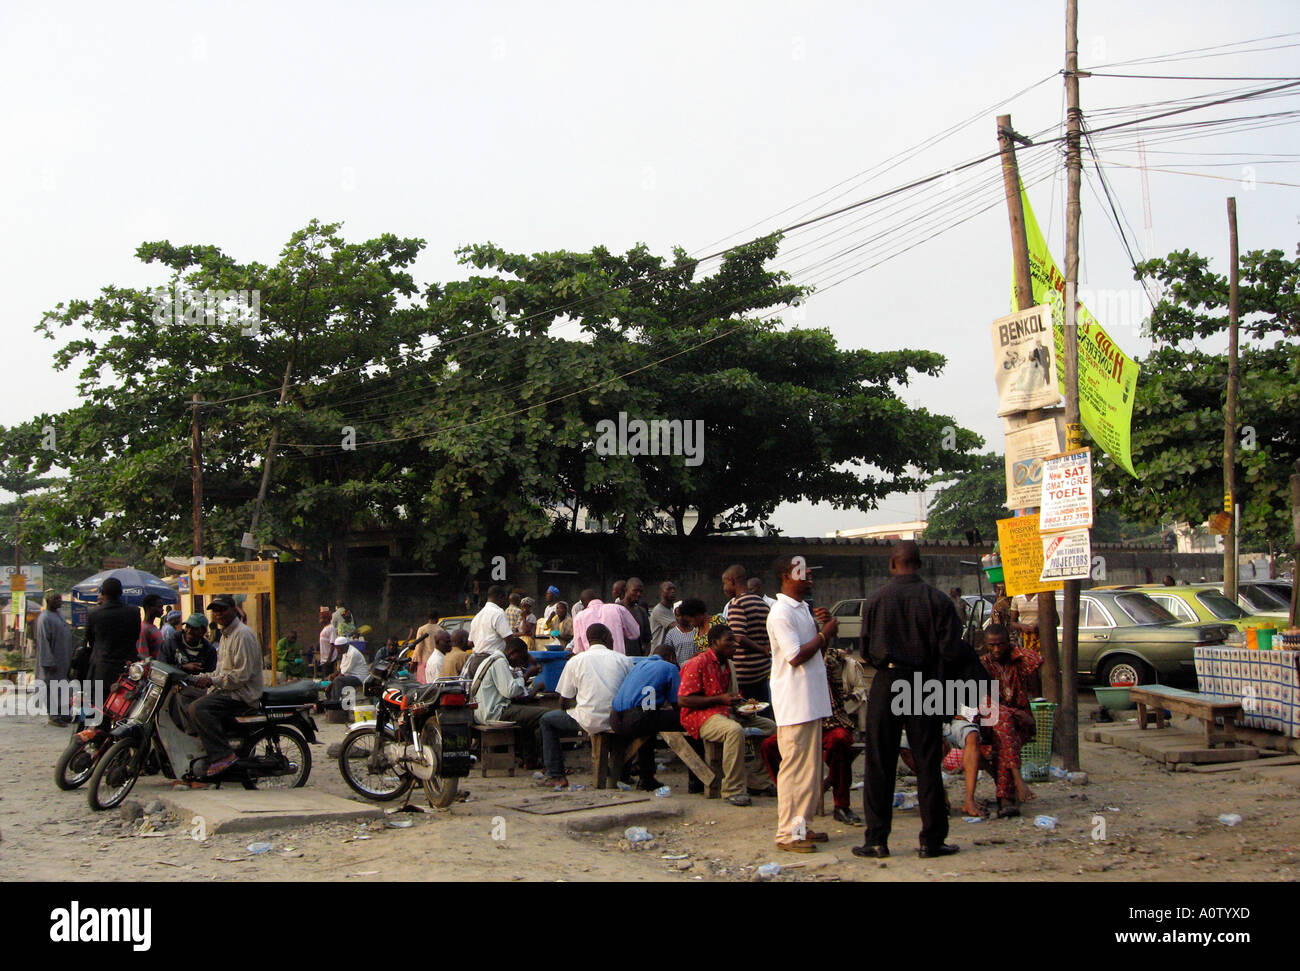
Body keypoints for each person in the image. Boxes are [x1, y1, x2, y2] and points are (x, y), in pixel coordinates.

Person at [857, 541, 964, 860]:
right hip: (925, 681)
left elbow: (865, 651)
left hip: (887, 681)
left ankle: (877, 839)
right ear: (920, 563)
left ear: (892, 564)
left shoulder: (876, 600)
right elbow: (951, 651)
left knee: (879, 761)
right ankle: (931, 841)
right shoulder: (939, 600)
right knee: (928, 761)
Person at [764, 554, 834, 853]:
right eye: (801, 571)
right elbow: (795, 656)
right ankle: (788, 834)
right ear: (786, 576)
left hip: (810, 699)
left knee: (809, 771)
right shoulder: (781, 613)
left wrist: (825, 627)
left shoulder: (802, 609)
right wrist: (823, 634)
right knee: (795, 769)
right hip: (794, 702)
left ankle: (801, 826)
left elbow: (816, 649)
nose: (808, 576)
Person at [761, 643, 864, 826]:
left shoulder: (830, 660)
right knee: (769, 746)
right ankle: (790, 798)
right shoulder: (788, 660)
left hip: (831, 722)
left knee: (839, 741)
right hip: (801, 722)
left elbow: (824, 658)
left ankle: (841, 805)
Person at [678, 624, 776, 806]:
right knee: (733, 731)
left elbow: (729, 696)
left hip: (725, 712)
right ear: (715, 643)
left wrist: (743, 704)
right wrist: (719, 699)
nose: (734, 645)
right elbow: (683, 700)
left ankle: (758, 781)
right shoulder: (697, 663)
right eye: (728, 641)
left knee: (770, 727)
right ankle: (733, 788)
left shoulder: (729, 664)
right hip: (700, 716)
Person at [538, 623, 634, 787]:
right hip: (617, 720)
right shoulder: (623, 660)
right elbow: (631, 693)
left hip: (587, 719)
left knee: (547, 720)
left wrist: (573, 707)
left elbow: (564, 700)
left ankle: (556, 775)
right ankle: (622, 774)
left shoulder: (576, 660)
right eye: (611, 637)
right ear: (605, 638)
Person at [188, 595, 264, 776]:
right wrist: (198, 678)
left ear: (233, 609)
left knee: (198, 708)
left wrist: (213, 681)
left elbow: (240, 676)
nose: (218, 614)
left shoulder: (242, 635)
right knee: (185, 696)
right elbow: (220, 671)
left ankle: (222, 755)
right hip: (228, 689)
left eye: (222, 609)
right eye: (215, 610)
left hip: (241, 694)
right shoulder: (225, 635)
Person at [981, 623, 1042, 817]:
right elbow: (985, 701)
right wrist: (1012, 713)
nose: (996, 649)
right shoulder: (983, 664)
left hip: (1017, 724)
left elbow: (1037, 660)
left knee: (1004, 740)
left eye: (1001, 644)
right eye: (992, 645)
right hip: (991, 720)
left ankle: (1005, 799)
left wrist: (1015, 649)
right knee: (1003, 720)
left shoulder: (1017, 662)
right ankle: (1016, 781)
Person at [468, 635, 550, 769]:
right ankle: (548, 762)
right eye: (522, 657)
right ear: (513, 653)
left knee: (527, 717)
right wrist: (527, 675)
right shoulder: (499, 662)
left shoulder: (491, 660)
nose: (521, 662)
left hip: (483, 711)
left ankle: (530, 760)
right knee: (545, 714)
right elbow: (511, 691)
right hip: (494, 712)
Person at [610, 644, 682, 790]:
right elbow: (677, 702)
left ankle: (644, 777)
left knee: (649, 729)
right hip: (637, 718)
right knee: (684, 718)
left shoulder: (638, 666)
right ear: (671, 657)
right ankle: (696, 779)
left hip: (615, 719)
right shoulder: (670, 667)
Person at [85, 577, 141, 710]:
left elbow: (90, 640)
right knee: (124, 710)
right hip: (127, 672)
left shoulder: (94, 614)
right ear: (121, 593)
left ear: (103, 593)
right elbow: (135, 637)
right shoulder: (133, 612)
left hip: (101, 671)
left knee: (100, 710)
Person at [722, 564, 772, 705]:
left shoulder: (737, 603)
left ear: (732, 581)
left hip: (744, 673)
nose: (724, 588)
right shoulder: (762, 603)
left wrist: (761, 649)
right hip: (762, 670)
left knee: (745, 712)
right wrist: (763, 649)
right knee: (762, 709)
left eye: (724, 583)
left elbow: (738, 637)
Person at [36, 590, 74, 725]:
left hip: (63, 659)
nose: (60, 601)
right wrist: (49, 662)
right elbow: (43, 642)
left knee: (63, 688)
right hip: (52, 662)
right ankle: (54, 716)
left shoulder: (58, 615)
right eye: (56, 599)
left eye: (60, 599)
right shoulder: (44, 618)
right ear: (48, 601)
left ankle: (64, 714)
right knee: (52, 689)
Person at [570, 587, 640, 655]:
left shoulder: (575, 618)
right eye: (558, 608)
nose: (559, 610)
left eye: (561, 608)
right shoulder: (618, 609)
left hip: (591, 661)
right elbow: (635, 633)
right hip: (616, 660)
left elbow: (578, 649)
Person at [469, 585, 513, 655]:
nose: (506, 601)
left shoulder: (477, 617)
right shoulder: (498, 613)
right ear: (500, 596)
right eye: (505, 598)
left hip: (477, 660)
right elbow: (509, 639)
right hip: (493, 660)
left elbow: (470, 643)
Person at [330, 635, 369, 706]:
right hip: (351, 675)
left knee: (338, 680)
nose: (338, 651)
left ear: (343, 646)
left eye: (338, 649)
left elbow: (345, 671)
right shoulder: (345, 652)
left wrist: (333, 682)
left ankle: (334, 703)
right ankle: (331, 702)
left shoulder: (353, 653)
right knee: (333, 679)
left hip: (359, 678)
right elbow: (342, 668)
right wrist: (333, 676)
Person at [621, 578, 651, 657]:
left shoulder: (642, 612)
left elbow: (647, 640)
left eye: (641, 592)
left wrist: (643, 659)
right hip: (619, 659)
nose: (638, 594)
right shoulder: (616, 609)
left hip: (637, 659)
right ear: (626, 590)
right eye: (635, 590)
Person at [664, 601, 698, 668]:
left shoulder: (697, 630)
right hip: (679, 669)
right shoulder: (671, 634)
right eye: (678, 615)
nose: (681, 618)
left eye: (683, 615)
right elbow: (668, 654)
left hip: (696, 666)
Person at [137, 594, 167, 661]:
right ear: (148, 608)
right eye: (159, 607)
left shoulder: (154, 627)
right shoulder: (143, 629)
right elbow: (143, 657)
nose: (162, 610)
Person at [649, 581, 677, 648]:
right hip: (658, 652)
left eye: (673, 589)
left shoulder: (670, 609)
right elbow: (675, 626)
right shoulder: (659, 610)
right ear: (661, 592)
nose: (672, 591)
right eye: (669, 589)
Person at [316, 607, 337, 678]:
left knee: (328, 678)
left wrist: (329, 659)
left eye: (321, 618)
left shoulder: (331, 628)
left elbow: (332, 644)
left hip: (329, 659)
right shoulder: (325, 629)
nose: (320, 620)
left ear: (326, 619)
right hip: (324, 659)